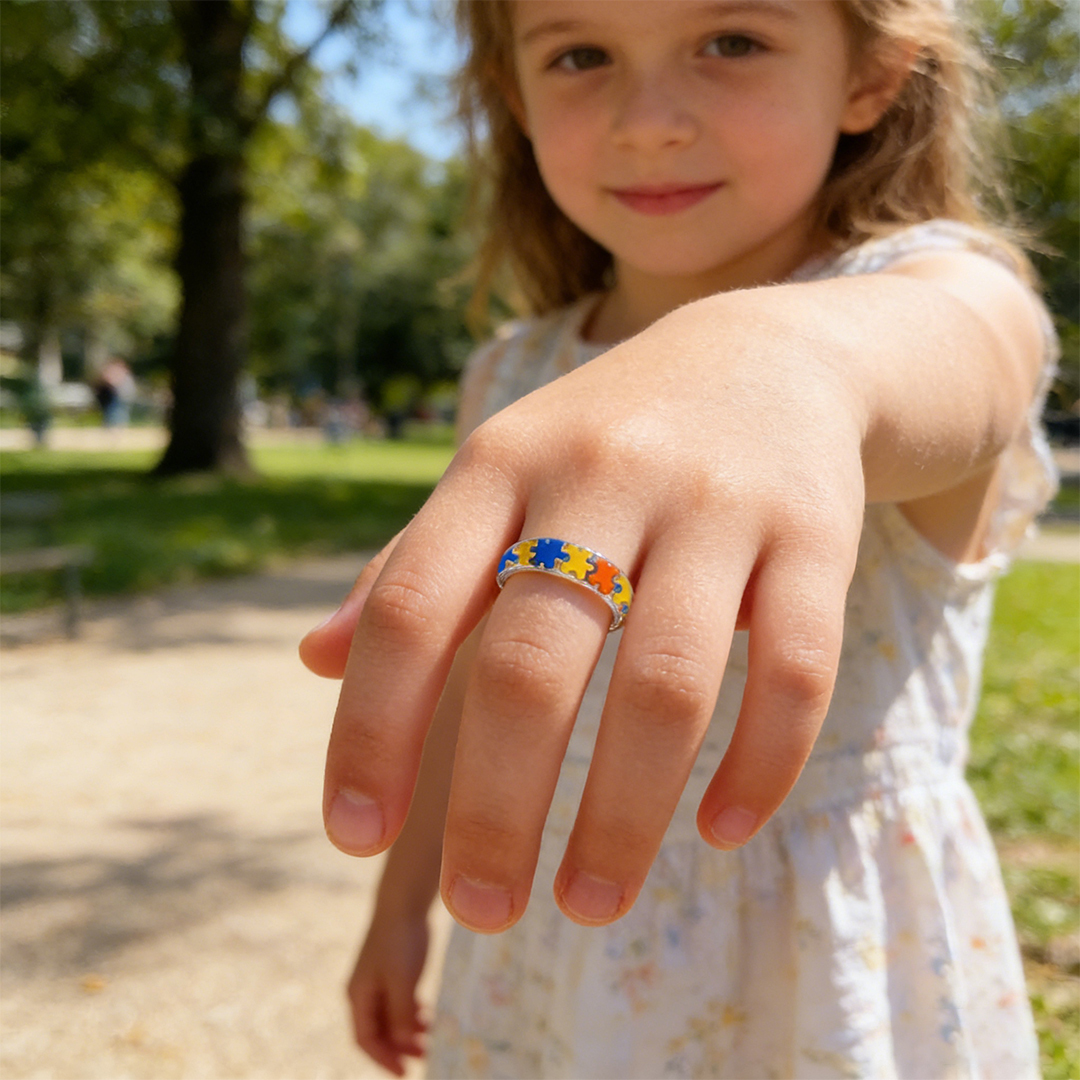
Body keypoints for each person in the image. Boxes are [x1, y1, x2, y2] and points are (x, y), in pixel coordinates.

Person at [300, 2, 1058, 1076]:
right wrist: (398, 906)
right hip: (537, 953)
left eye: (732, 41)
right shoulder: (510, 374)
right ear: (516, 95)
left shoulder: (935, 296)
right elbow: (482, 683)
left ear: (874, 74)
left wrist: (783, 360)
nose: (647, 121)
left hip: (816, 985)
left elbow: (973, 342)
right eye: (580, 55)